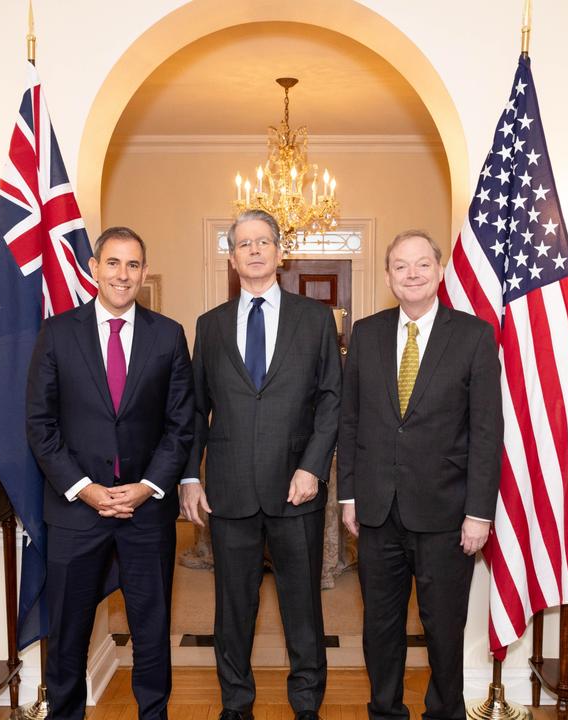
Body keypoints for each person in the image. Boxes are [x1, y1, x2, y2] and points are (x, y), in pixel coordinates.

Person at [27, 227, 194, 720]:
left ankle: (153, 714)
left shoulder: (168, 335)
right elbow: (40, 424)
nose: (124, 275)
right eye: (114, 263)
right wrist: (85, 490)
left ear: (144, 273)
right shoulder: (57, 333)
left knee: (151, 627)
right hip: (76, 512)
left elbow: (180, 425)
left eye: (134, 265)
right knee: (69, 630)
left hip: (147, 513)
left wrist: (145, 488)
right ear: (94, 268)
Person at [180, 209, 341, 720]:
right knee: (232, 611)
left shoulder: (315, 319)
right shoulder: (209, 326)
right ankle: (236, 705)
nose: (253, 250)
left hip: (297, 491)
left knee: (303, 610)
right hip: (229, 492)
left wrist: (313, 467)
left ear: (279, 252)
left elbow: (332, 401)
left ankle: (307, 705)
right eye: (243, 243)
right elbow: (194, 410)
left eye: (263, 241)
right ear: (231, 256)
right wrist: (189, 476)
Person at [338, 230, 501, 720]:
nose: (412, 274)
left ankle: (444, 712)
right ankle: (385, 710)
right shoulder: (365, 334)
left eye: (422, 264)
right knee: (380, 627)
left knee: (443, 627)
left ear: (440, 270)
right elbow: (350, 421)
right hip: (377, 511)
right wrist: (348, 495)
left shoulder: (473, 335)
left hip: (448, 515)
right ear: (388, 276)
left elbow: (486, 431)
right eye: (401, 266)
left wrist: (479, 513)